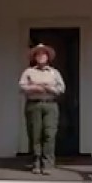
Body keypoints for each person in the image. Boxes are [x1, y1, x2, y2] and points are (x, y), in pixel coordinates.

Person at [19, 43, 65, 174]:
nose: (41, 57)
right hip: (34, 104)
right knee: (35, 134)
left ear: (48, 57)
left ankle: (48, 164)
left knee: (49, 134)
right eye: (38, 54)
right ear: (34, 57)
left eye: (43, 54)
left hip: (50, 104)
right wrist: (36, 87)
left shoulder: (54, 73)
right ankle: (36, 162)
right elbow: (23, 86)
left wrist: (48, 87)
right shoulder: (29, 72)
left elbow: (61, 88)